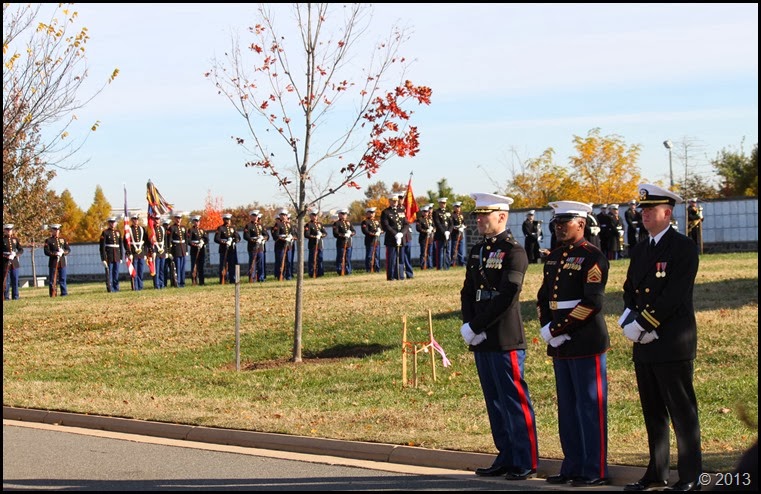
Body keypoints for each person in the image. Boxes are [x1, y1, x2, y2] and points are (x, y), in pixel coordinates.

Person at [621, 184, 702, 492]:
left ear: (667, 213)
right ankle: (656, 472)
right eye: (642, 210)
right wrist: (631, 318)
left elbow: (675, 295)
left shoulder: (682, 247)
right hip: (645, 343)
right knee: (653, 411)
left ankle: (691, 475)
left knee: (682, 412)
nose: (644, 215)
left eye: (650, 210)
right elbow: (631, 288)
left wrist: (644, 322)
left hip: (671, 340)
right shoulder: (642, 248)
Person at [460, 192, 539, 481]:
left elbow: (508, 296)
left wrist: (477, 325)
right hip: (482, 336)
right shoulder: (477, 251)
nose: (478, 220)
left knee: (514, 399)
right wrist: (469, 324)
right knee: (494, 400)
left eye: (485, 215)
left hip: (505, 335)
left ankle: (526, 459)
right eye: (477, 215)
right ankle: (505, 454)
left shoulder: (514, 251)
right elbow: (468, 291)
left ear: (502, 217)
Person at [537, 201, 610, 487]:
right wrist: (548, 327)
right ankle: (572, 465)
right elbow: (544, 297)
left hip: (585, 340)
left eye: (563, 223)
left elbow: (592, 302)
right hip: (560, 342)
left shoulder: (593, 257)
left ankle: (594, 469)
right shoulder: (554, 257)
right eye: (556, 223)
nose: (558, 227)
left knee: (590, 407)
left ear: (580, 224)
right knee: (567, 407)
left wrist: (558, 327)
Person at [381, 195, 405, 281]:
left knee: (401, 258)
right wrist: (395, 234)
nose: (395, 202)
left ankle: (400, 275)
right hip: (391, 239)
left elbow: (406, 224)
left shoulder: (401, 211)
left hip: (401, 238)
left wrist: (401, 234)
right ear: (390, 201)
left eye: (396, 200)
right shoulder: (386, 212)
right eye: (393, 200)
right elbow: (386, 225)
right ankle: (391, 276)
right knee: (391, 259)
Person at [43, 224, 71, 297]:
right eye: (55, 230)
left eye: (58, 230)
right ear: (52, 230)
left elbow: (68, 249)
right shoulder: (48, 240)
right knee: (53, 279)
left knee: (63, 278)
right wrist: (55, 253)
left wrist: (63, 252)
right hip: (53, 262)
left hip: (62, 262)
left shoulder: (63, 239)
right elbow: (46, 251)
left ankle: (64, 293)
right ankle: (53, 293)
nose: (57, 231)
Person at [214, 213, 240, 284]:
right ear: (224, 220)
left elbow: (238, 237)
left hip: (231, 250)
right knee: (223, 265)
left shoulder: (233, 228)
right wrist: (224, 242)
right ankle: (223, 279)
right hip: (223, 249)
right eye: (226, 219)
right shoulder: (220, 228)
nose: (228, 221)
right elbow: (216, 239)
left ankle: (232, 279)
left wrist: (234, 240)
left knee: (232, 265)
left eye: (229, 219)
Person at [125, 213, 148, 290]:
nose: (136, 221)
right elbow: (126, 242)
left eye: (137, 219)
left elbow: (145, 242)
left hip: (141, 253)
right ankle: (135, 287)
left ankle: (140, 286)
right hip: (133, 253)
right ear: (132, 220)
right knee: (134, 271)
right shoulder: (129, 230)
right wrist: (129, 253)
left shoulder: (142, 229)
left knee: (140, 271)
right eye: (134, 219)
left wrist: (145, 253)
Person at [244, 210, 268, 282]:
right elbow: (246, 236)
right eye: (254, 216)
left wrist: (263, 238)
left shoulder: (260, 226)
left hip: (260, 247)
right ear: (251, 217)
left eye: (256, 216)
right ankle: (252, 278)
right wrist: (254, 239)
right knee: (253, 263)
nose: (255, 218)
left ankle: (261, 278)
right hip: (253, 247)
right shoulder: (248, 226)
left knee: (260, 263)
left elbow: (266, 235)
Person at [99, 217, 123, 292]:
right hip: (109, 256)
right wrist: (103, 258)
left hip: (117, 256)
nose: (112, 224)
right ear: (109, 223)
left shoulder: (118, 232)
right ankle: (110, 288)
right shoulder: (105, 232)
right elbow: (102, 247)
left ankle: (116, 288)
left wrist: (121, 257)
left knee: (116, 273)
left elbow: (120, 246)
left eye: (114, 222)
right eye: (111, 222)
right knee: (109, 273)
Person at [3, 224, 24, 300]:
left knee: (15, 280)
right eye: (7, 230)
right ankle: (6, 296)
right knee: (6, 281)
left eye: (10, 230)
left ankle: (15, 296)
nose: (9, 231)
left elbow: (21, 250)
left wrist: (16, 254)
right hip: (5, 263)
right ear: (4, 230)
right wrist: (7, 256)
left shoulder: (15, 239)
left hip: (15, 263)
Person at [271, 209, 294, 281]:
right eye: (282, 215)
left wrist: (291, 237)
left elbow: (294, 233)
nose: (283, 216)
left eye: (285, 215)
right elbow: (275, 235)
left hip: (288, 246)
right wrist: (284, 238)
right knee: (281, 261)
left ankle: (289, 276)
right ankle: (281, 276)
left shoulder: (289, 224)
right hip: (281, 246)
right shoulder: (277, 224)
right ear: (280, 216)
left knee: (289, 261)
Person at [167, 212, 188, 287]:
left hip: (183, 249)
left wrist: (186, 250)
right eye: (177, 218)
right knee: (178, 267)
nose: (178, 220)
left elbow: (186, 239)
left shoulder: (184, 227)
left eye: (179, 218)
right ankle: (178, 282)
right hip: (176, 249)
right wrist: (169, 251)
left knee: (182, 267)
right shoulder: (172, 228)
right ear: (175, 219)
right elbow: (169, 240)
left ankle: (182, 282)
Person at [305, 209, 327, 278]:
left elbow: (325, 233)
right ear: (310, 216)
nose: (315, 217)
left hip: (319, 244)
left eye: (316, 215)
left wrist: (321, 235)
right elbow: (306, 234)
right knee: (312, 259)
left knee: (320, 258)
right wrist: (315, 237)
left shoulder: (320, 224)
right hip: (313, 245)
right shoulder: (308, 225)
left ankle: (320, 272)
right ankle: (312, 273)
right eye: (314, 215)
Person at [333, 209, 355, 275]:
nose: (344, 215)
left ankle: (348, 271)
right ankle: (340, 271)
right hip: (341, 243)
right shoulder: (336, 223)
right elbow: (335, 233)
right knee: (340, 258)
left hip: (349, 243)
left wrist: (351, 233)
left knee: (348, 258)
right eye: (342, 214)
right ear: (339, 214)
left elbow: (354, 231)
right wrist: (343, 235)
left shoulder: (348, 222)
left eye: (345, 214)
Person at [397, 194, 415, 279]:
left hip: (407, 235)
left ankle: (409, 273)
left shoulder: (407, 208)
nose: (401, 200)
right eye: (399, 198)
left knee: (408, 256)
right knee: (401, 256)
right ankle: (400, 274)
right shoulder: (395, 210)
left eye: (402, 198)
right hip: (401, 236)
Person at [187, 215, 209, 286]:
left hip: (201, 250)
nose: (197, 222)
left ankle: (201, 282)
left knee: (201, 267)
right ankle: (194, 281)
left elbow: (206, 239)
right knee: (194, 266)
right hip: (194, 250)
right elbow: (189, 241)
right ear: (193, 222)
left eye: (198, 221)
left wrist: (203, 242)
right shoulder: (191, 230)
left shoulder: (202, 230)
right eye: (196, 221)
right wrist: (196, 245)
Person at [432, 197, 452, 270]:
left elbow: (451, 224)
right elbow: (437, 223)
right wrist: (444, 232)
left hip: (448, 235)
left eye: (444, 203)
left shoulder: (448, 212)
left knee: (447, 251)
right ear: (439, 203)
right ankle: (439, 267)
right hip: (440, 235)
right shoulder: (436, 212)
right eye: (442, 203)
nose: (443, 204)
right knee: (440, 252)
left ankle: (447, 266)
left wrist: (449, 231)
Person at [360, 207, 382, 273]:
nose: (373, 214)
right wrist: (373, 234)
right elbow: (365, 231)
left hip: (377, 241)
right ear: (367, 213)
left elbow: (381, 228)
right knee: (369, 256)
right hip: (370, 241)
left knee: (377, 256)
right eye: (371, 213)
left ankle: (377, 269)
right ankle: (369, 269)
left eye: (373, 213)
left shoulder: (376, 221)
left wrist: (380, 231)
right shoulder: (365, 222)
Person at [151, 213, 167, 289]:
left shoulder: (162, 228)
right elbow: (150, 241)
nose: (157, 220)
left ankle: (162, 284)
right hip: (156, 251)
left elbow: (165, 240)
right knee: (156, 269)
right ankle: (156, 284)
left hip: (162, 250)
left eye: (158, 219)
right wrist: (153, 251)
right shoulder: (152, 229)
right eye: (156, 219)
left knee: (161, 269)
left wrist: (166, 251)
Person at [415, 205, 435, 269]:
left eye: (427, 212)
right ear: (422, 212)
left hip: (430, 239)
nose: (426, 213)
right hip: (423, 238)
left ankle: (430, 265)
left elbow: (434, 226)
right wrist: (426, 231)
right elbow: (418, 228)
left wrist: (433, 229)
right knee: (423, 253)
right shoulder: (420, 220)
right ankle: (423, 265)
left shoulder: (430, 219)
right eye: (424, 212)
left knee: (430, 253)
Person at [450, 201, 467, 266]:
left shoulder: (461, 215)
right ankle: (453, 262)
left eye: (459, 207)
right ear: (454, 208)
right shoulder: (452, 215)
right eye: (456, 207)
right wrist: (457, 228)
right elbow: (451, 225)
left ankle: (461, 262)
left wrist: (463, 226)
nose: (458, 208)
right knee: (454, 249)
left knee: (461, 250)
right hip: (455, 235)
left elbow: (464, 223)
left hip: (461, 235)